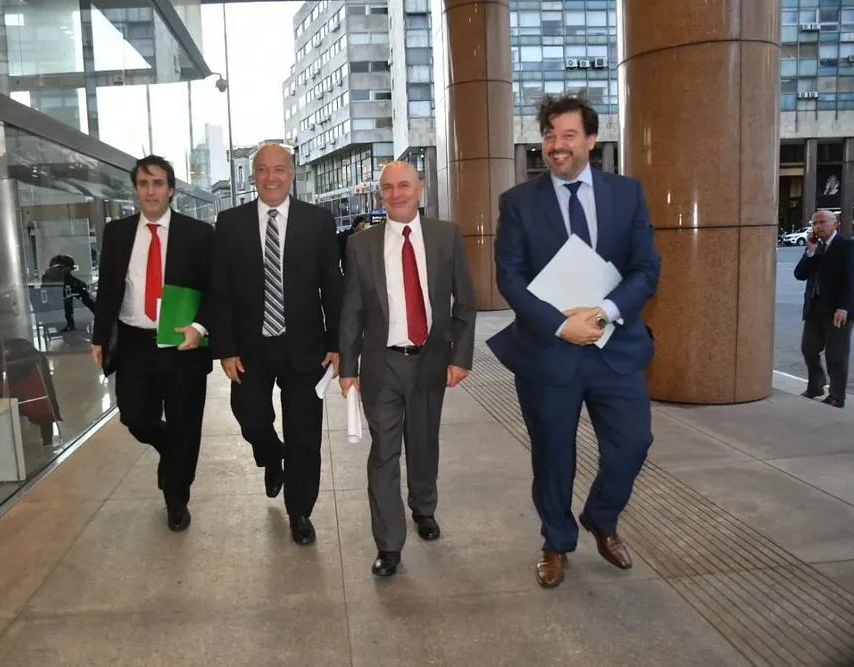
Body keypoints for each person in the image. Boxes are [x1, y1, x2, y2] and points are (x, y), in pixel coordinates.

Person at [488, 95, 660, 588]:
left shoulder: (626, 194)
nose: (556, 146)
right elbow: (510, 277)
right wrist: (562, 325)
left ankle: (602, 519)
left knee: (632, 444)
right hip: (548, 351)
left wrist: (603, 313)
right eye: (549, 135)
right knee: (553, 455)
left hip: (615, 349)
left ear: (590, 140)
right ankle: (556, 541)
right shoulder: (518, 202)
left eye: (567, 135)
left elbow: (646, 269)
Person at [338, 161, 476, 576]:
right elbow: (352, 310)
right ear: (379, 195)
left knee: (424, 443)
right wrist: (347, 366)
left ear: (420, 189)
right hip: (382, 363)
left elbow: (464, 303)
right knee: (384, 453)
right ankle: (389, 544)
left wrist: (460, 356)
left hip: (431, 360)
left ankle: (424, 506)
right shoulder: (361, 245)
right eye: (387, 188)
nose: (396, 194)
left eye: (403, 185)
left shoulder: (446, 236)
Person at [209, 143, 343, 545]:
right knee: (250, 417)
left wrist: (337, 342)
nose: (271, 177)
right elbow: (221, 289)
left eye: (279, 169)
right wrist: (226, 348)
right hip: (251, 348)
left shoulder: (317, 221)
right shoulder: (229, 222)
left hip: (306, 348)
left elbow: (332, 287)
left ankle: (300, 511)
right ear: (253, 176)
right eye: (263, 170)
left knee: (305, 434)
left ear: (292, 174)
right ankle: (271, 455)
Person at [91, 155, 214, 532]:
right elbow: (108, 287)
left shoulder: (198, 234)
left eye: (158, 183)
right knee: (135, 416)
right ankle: (169, 448)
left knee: (185, 424)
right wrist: (99, 337)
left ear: (171, 189)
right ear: (136, 189)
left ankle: (176, 500)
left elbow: (216, 288)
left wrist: (200, 326)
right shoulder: (117, 232)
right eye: (143, 183)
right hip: (134, 343)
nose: (150, 191)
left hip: (183, 344)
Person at [795, 209, 854, 408]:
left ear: (835, 224)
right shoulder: (816, 248)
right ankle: (816, 386)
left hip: (837, 310)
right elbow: (800, 274)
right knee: (808, 348)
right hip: (815, 308)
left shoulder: (846, 246)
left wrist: (844, 308)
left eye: (822, 222)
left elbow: (851, 281)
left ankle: (837, 396)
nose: (818, 227)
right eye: (814, 223)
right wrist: (810, 251)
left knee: (836, 355)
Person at [40, 254, 95, 332]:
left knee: (82, 297)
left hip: (53, 305)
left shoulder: (50, 273)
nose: (70, 271)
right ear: (65, 267)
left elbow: (73, 281)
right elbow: (72, 282)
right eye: (70, 268)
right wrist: (84, 287)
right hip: (58, 307)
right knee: (84, 297)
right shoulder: (59, 273)